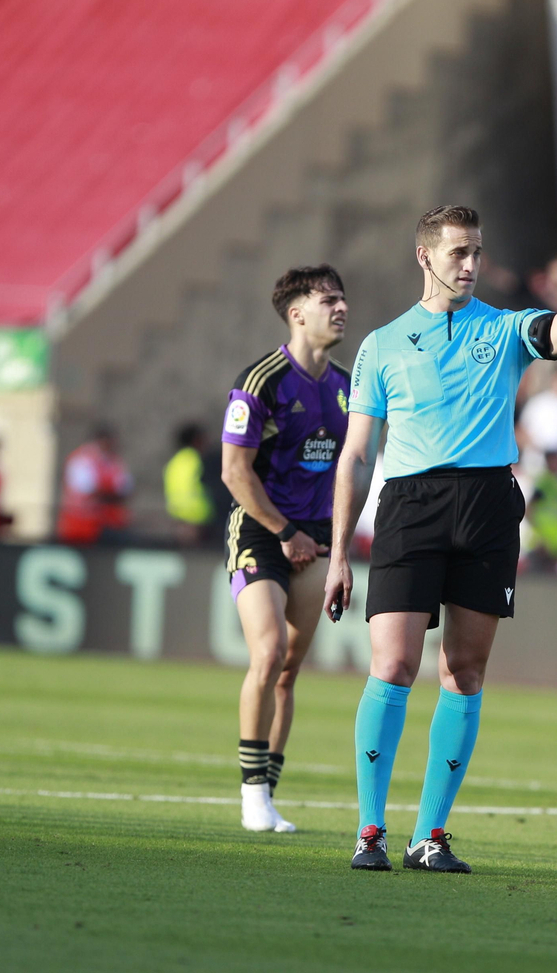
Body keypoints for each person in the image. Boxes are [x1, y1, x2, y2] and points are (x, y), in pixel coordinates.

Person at [325, 205, 557, 873]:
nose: (469, 265)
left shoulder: (503, 329)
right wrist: (336, 553)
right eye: (456, 254)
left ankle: (431, 836)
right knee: (392, 666)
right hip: (410, 505)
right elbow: (355, 455)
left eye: (475, 252)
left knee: (465, 671)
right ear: (424, 256)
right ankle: (369, 831)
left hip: (485, 505)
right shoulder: (381, 345)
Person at [220, 265, 350, 834]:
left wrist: (335, 542)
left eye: (343, 299)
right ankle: (252, 798)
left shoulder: (347, 385)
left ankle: (268, 795)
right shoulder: (262, 380)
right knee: (268, 651)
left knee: (289, 672)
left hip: (315, 538)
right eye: (328, 300)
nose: (341, 308)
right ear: (297, 313)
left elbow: (350, 468)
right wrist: (283, 532)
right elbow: (233, 471)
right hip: (260, 532)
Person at [56, 423, 132, 544]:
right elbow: (87, 491)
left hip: (109, 526)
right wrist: (111, 496)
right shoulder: (81, 460)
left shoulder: (114, 461)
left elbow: (125, 489)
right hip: (81, 527)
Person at [164, 423, 214, 546]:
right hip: (197, 519)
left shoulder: (174, 462)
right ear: (197, 440)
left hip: (178, 519)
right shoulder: (198, 460)